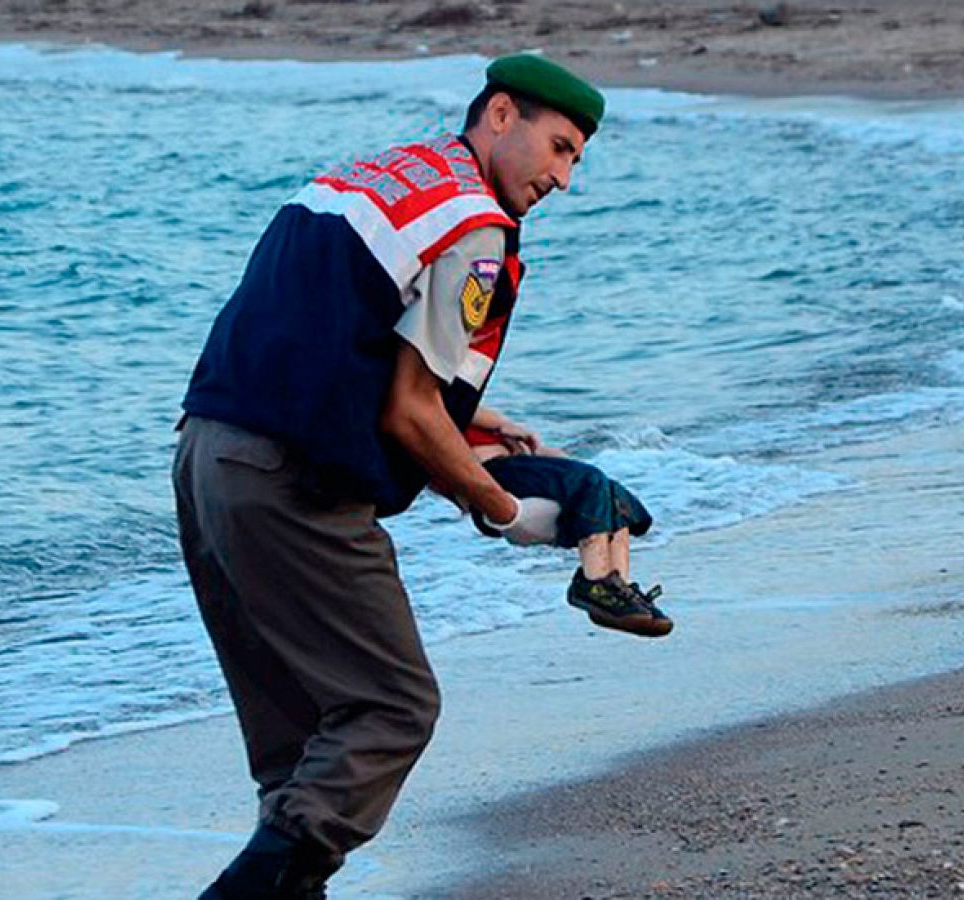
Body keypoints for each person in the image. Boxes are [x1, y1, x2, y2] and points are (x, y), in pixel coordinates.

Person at [171, 54, 653, 899]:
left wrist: (465, 422)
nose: (565, 178)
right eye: (560, 147)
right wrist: (501, 507)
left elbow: (334, 335)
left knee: (300, 748)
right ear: (501, 114)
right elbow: (407, 414)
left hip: (207, 458)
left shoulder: (379, 175)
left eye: (576, 158)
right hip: (291, 487)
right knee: (391, 708)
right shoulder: (476, 223)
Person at [463, 416, 673, 637]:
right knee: (590, 479)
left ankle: (620, 587)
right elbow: (456, 402)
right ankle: (593, 584)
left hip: (518, 465)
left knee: (609, 491)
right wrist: (501, 424)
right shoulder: (447, 408)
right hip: (491, 472)